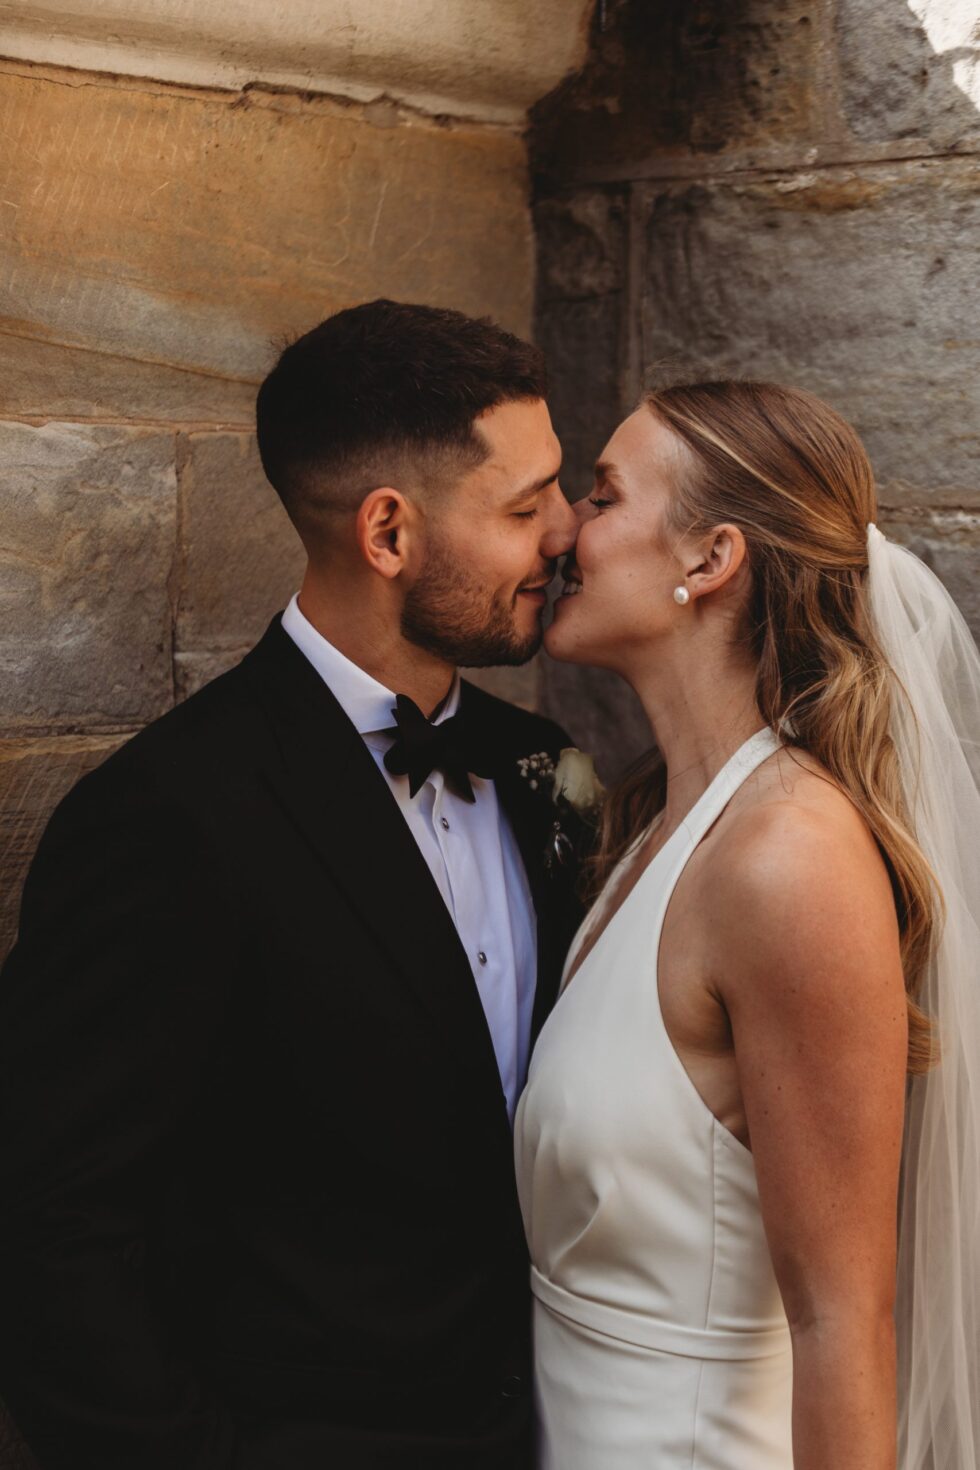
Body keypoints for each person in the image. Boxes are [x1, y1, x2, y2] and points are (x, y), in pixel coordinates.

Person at [0, 299, 585, 1469]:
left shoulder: (542, 773)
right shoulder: (165, 815)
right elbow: (52, 1225)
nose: (567, 531)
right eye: (525, 507)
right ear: (387, 533)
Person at [515, 380, 980, 1469]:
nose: (562, 532)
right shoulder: (654, 830)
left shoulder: (785, 860)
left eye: (600, 494)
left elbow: (842, 1322)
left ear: (707, 559)